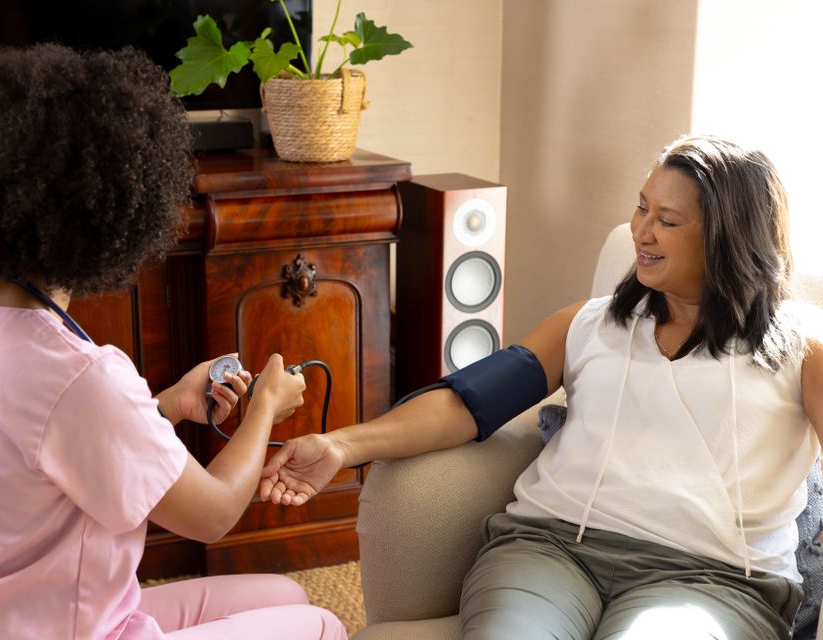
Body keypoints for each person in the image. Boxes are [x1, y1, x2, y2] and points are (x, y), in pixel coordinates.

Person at [261, 135, 823, 639]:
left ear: (728, 237)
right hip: (554, 550)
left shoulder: (802, 352)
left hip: (713, 580)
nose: (641, 231)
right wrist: (339, 446)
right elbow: (468, 402)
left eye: (668, 221)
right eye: (641, 207)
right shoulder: (590, 323)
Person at [0, 43, 347, 640]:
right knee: (322, 625)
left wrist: (165, 408)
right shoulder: (81, 375)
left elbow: (40, 449)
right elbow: (211, 515)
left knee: (282, 592)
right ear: (116, 206)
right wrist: (265, 406)